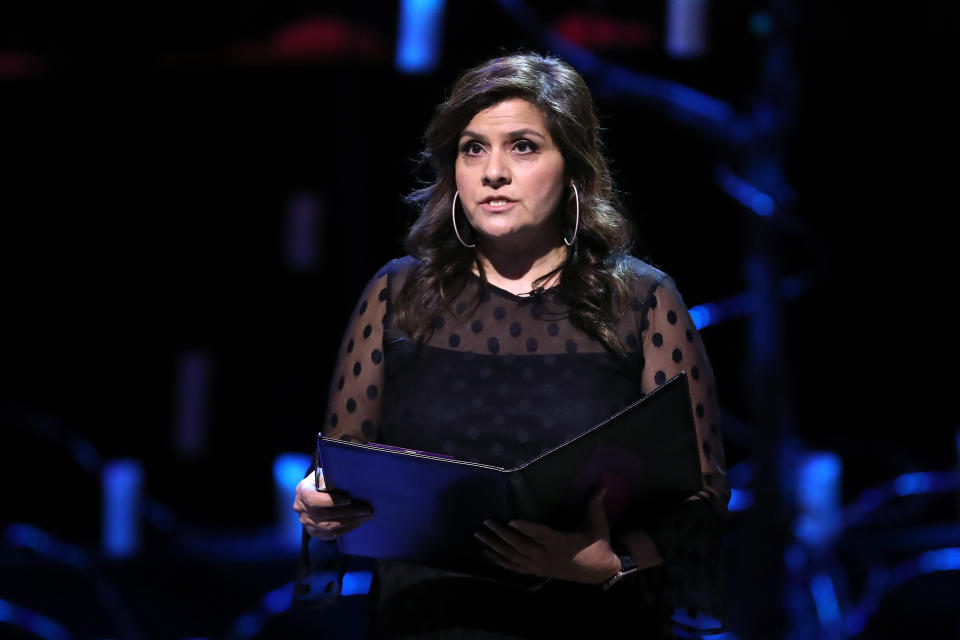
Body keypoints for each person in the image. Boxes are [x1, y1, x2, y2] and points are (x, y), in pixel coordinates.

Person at [293, 52, 729, 639]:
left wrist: (614, 562)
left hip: (588, 622)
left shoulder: (641, 302)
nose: (492, 172)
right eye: (473, 148)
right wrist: (319, 501)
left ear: (572, 169)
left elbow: (701, 493)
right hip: (425, 620)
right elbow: (340, 464)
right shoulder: (397, 294)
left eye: (522, 146)